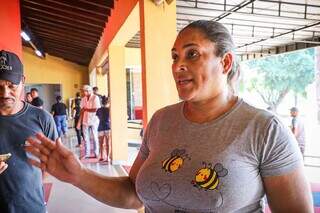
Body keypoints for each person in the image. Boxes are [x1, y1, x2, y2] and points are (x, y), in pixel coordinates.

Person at [25, 21, 313, 212]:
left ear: (225, 62)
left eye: (192, 55)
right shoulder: (162, 121)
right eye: (175, 57)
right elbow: (132, 193)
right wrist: (79, 175)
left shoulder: (264, 129)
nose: (178, 66)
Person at [0, 50, 58, 212]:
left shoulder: (43, 119)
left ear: (23, 80)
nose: (5, 94)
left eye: (11, 86)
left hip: (31, 207)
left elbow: (52, 163)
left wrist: (33, 189)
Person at [77, 85, 100, 158]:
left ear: (88, 91)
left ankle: (96, 153)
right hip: (85, 120)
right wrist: (79, 122)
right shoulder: (83, 99)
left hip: (94, 120)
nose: (83, 93)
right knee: (86, 138)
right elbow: (82, 111)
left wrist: (86, 109)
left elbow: (95, 109)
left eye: (84, 91)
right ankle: (87, 153)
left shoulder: (95, 97)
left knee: (95, 137)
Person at [96, 96, 111, 161]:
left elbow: (98, 118)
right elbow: (110, 119)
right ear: (108, 102)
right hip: (107, 127)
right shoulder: (109, 110)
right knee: (108, 143)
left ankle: (101, 156)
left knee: (101, 143)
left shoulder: (99, 110)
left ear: (101, 102)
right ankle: (107, 157)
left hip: (100, 127)